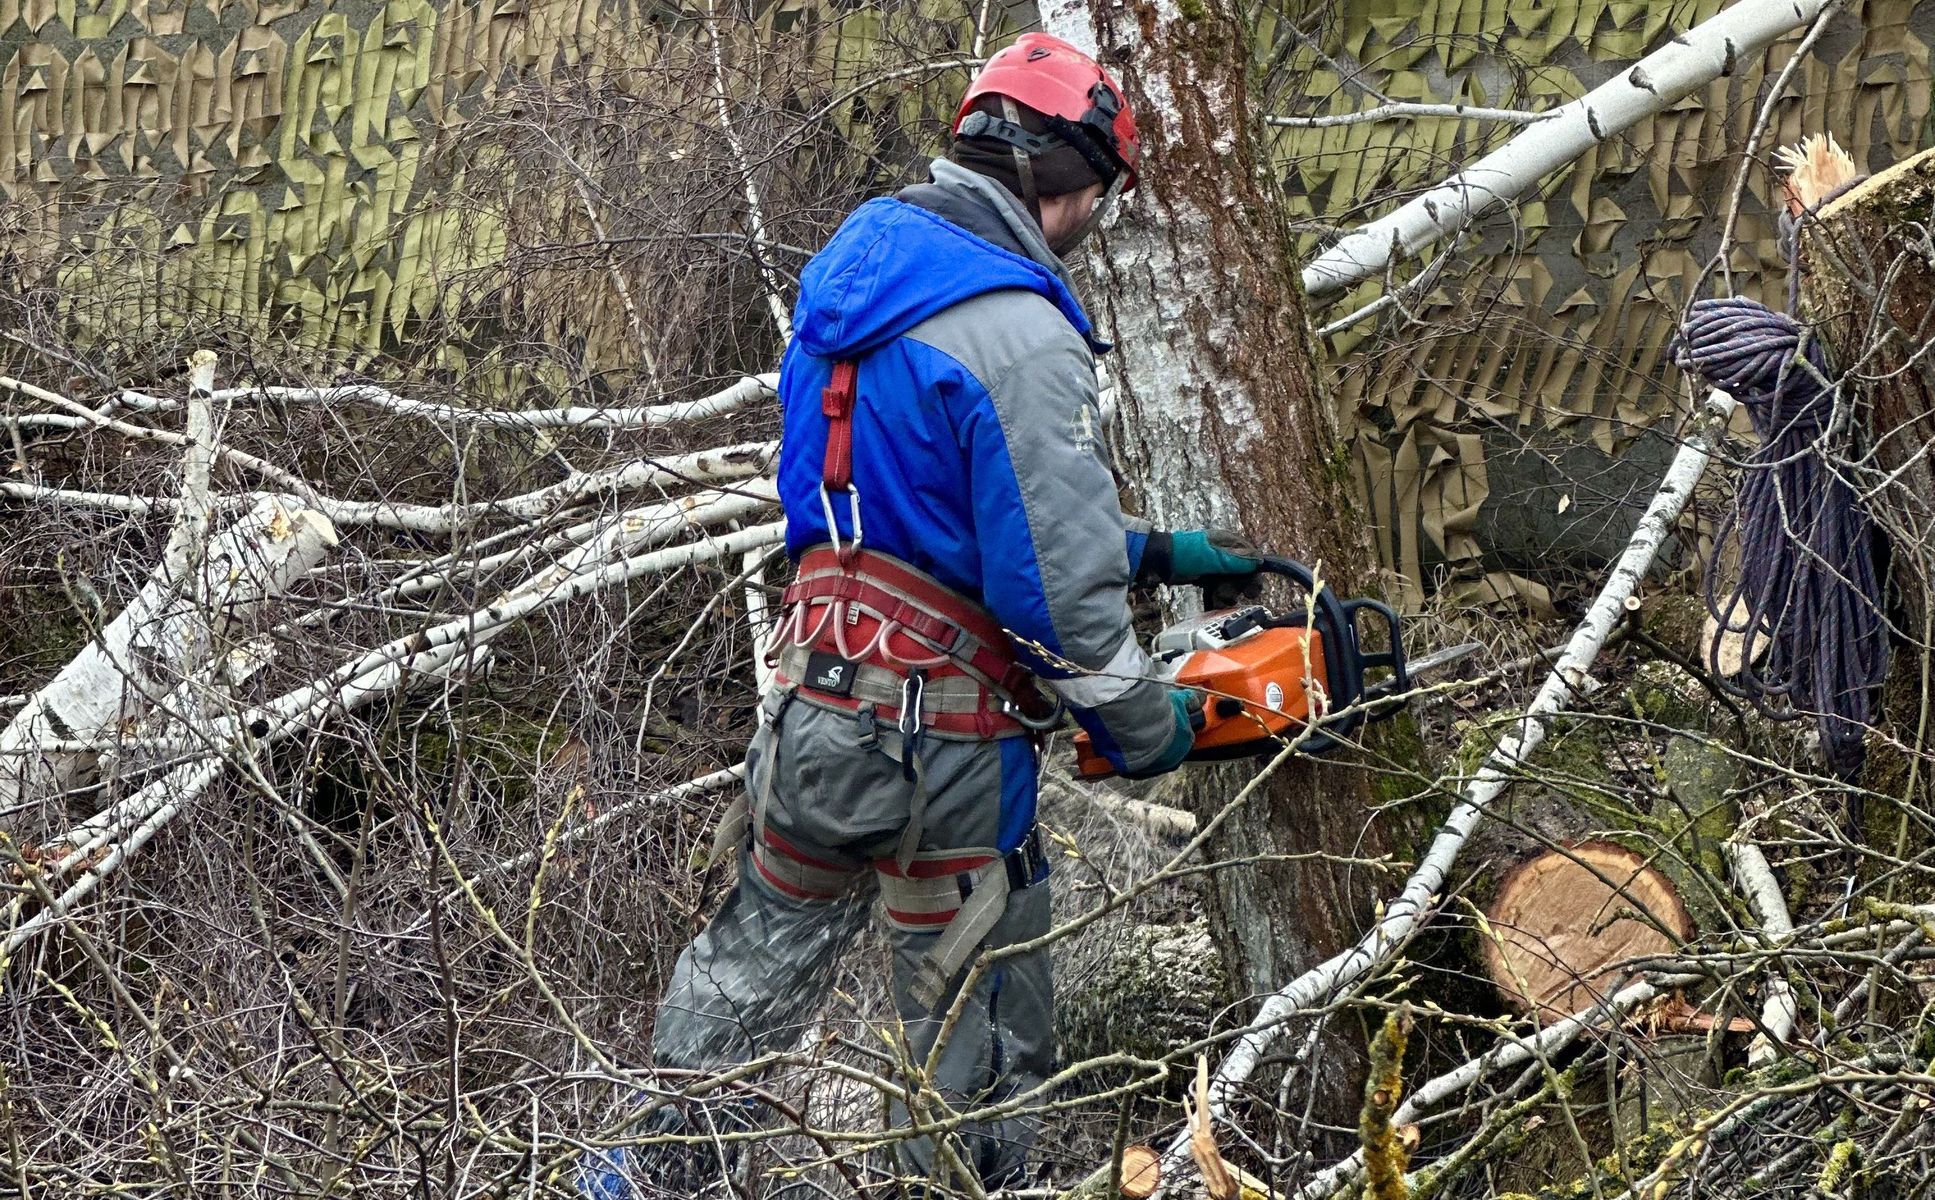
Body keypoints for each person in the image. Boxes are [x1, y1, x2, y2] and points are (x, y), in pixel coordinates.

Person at [580, 31, 1262, 1197]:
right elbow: (1052, 601)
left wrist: (1146, 550)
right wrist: (1151, 725)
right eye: (1098, 196)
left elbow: (903, 514)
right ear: (1067, 179)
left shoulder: (850, 280)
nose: (1093, 219)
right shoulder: (1023, 333)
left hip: (813, 707)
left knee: (745, 985)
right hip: (946, 747)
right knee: (969, 1038)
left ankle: (638, 1178)